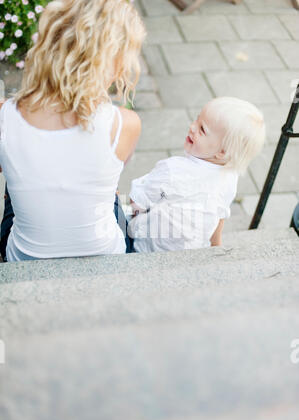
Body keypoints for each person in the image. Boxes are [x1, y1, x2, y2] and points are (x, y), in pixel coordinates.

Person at [0, 0, 146, 262]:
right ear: (114, 63)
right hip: (105, 253)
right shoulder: (125, 123)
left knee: (13, 178)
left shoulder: (4, 115)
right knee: (111, 194)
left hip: (23, 258)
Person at [128, 97, 266, 253]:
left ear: (222, 152)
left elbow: (137, 199)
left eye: (202, 129)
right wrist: (216, 247)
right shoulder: (230, 176)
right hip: (192, 250)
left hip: (148, 248)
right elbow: (220, 215)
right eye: (196, 119)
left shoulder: (172, 170)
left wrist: (135, 223)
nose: (192, 127)